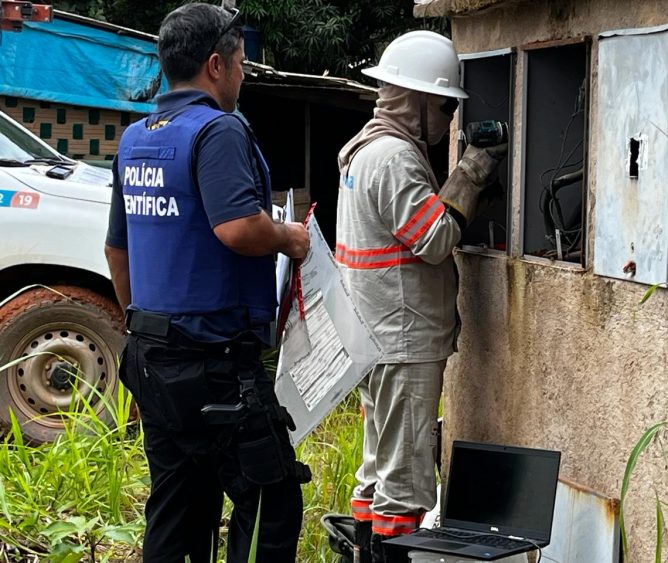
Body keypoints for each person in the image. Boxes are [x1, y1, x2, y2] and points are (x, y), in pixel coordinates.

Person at [103, 4, 311, 562]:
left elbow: (116, 250)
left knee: (179, 505)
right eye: (242, 63)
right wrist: (290, 237)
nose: (243, 75)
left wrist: (141, 327)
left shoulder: (137, 138)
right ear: (216, 65)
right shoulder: (218, 130)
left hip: (151, 356)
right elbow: (239, 228)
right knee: (271, 499)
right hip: (216, 363)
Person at [335, 30, 507, 563]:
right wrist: (471, 173)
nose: (449, 121)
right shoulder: (395, 158)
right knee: (405, 486)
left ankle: (364, 553)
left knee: (379, 472)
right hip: (403, 337)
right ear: (421, 102)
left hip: (374, 336)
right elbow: (432, 239)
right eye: (445, 108)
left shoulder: (365, 148)